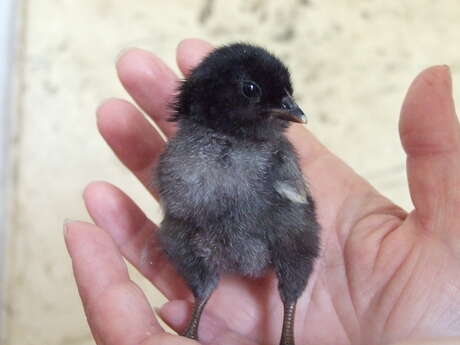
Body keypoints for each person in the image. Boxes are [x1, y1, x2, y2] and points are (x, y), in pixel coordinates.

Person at [64, 38, 460, 345]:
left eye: (283, 96)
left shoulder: (274, 160)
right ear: (212, 96)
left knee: (292, 235)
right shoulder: (177, 163)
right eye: (254, 91)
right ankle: (199, 309)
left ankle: (288, 320)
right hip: (204, 245)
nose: (288, 108)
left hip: (276, 249)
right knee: (185, 244)